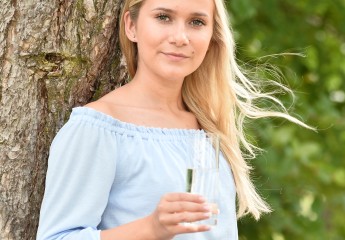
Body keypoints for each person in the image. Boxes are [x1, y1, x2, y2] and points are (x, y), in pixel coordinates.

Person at [37, 0, 311, 239]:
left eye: (196, 22)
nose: (180, 37)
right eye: (163, 17)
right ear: (131, 26)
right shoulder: (98, 129)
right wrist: (151, 229)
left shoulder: (208, 129)